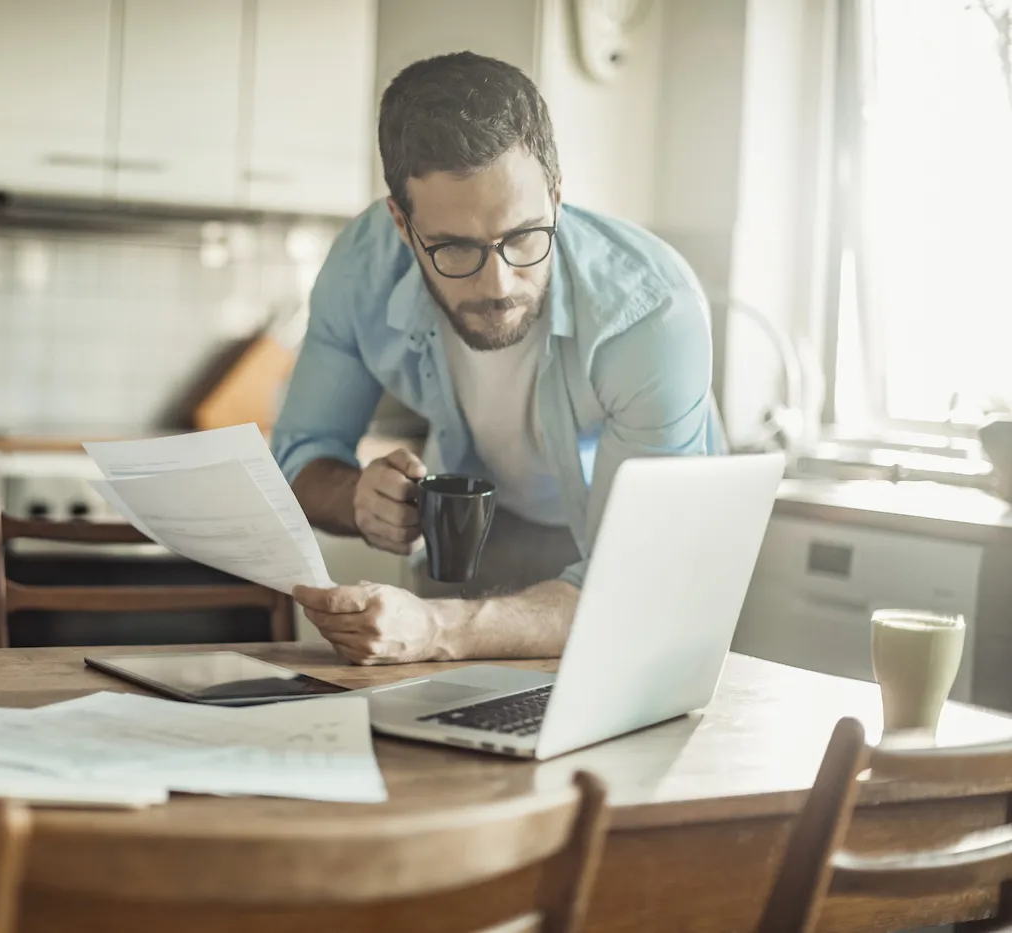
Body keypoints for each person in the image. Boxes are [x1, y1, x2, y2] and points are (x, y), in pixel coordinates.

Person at [273, 51, 725, 666]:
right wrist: (356, 497)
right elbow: (296, 460)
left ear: (558, 198)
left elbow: (638, 585)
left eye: (523, 237)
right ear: (403, 227)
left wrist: (438, 629)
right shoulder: (360, 270)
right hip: (482, 530)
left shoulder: (649, 313)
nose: (499, 285)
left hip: (617, 540)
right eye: (455, 248)